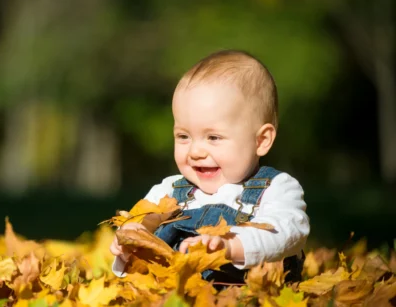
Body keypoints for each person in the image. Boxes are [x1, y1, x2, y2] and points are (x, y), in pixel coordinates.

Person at [109, 50, 309, 282]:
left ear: (261, 140)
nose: (195, 152)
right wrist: (134, 236)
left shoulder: (277, 188)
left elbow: (288, 232)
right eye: (184, 136)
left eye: (213, 137)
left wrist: (232, 245)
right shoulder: (171, 189)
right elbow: (145, 217)